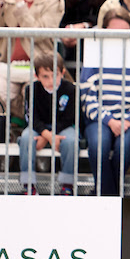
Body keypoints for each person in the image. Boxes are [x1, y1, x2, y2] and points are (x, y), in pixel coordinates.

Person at [80, 6, 130, 196]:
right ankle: (110, 195)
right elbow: (87, 98)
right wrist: (110, 121)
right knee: (99, 144)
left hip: (129, 120)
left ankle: (106, 194)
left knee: (124, 148)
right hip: (100, 119)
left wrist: (128, 121)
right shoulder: (93, 57)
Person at [17, 51, 79, 195]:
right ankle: (28, 185)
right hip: (38, 127)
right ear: (36, 76)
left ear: (62, 73)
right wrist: (46, 134)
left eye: (55, 75)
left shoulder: (70, 89)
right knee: (26, 139)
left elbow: (70, 118)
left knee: (70, 141)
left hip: (62, 127)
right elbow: (31, 117)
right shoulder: (31, 89)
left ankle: (67, 185)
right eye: (45, 76)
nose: (51, 80)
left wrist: (48, 137)